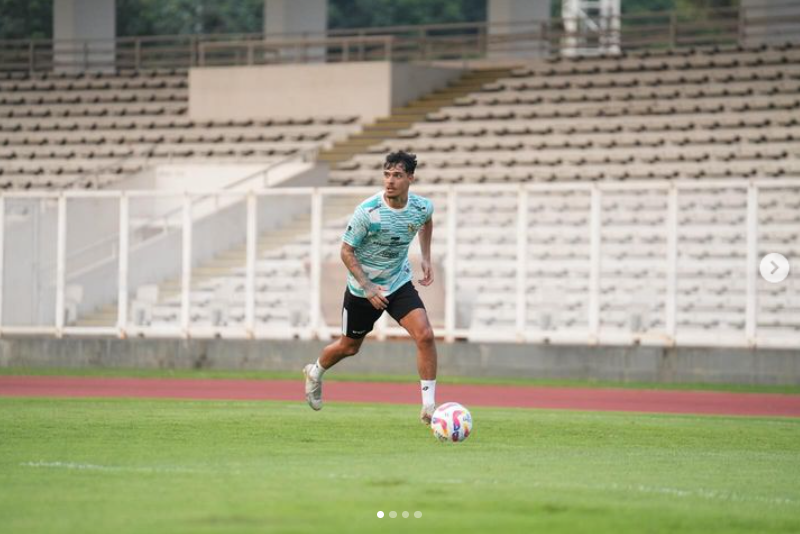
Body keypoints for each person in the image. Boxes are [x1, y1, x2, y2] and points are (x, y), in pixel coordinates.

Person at [303, 150, 438, 424]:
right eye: (387, 175)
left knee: (424, 335)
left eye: (397, 175)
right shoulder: (368, 211)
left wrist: (425, 256)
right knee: (349, 347)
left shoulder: (422, 207)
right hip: (362, 289)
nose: (390, 181)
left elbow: (426, 222)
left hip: (398, 282)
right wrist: (367, 287)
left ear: (410, 178)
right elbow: (345, 251)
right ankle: (315, 372)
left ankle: (429, 406)